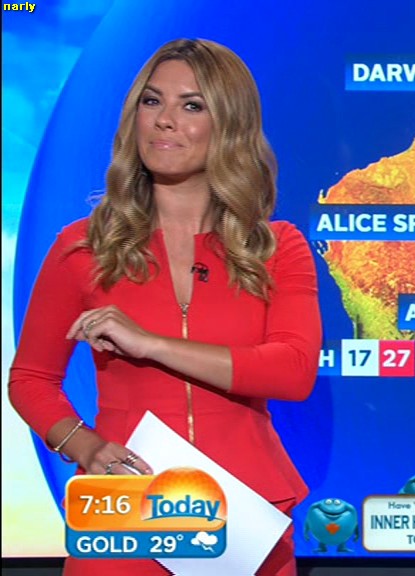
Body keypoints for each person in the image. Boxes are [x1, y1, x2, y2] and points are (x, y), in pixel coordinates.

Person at [8, 38, 322, 576]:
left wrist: (150, 344)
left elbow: (292, 372)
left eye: (191, 105)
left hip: (246, 514)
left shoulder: (275, 248)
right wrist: (83, 445)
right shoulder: (84, 247)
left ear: (230, 126)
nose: (164, 120)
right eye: (151, 102)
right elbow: (31, 378)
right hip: (126, 510)